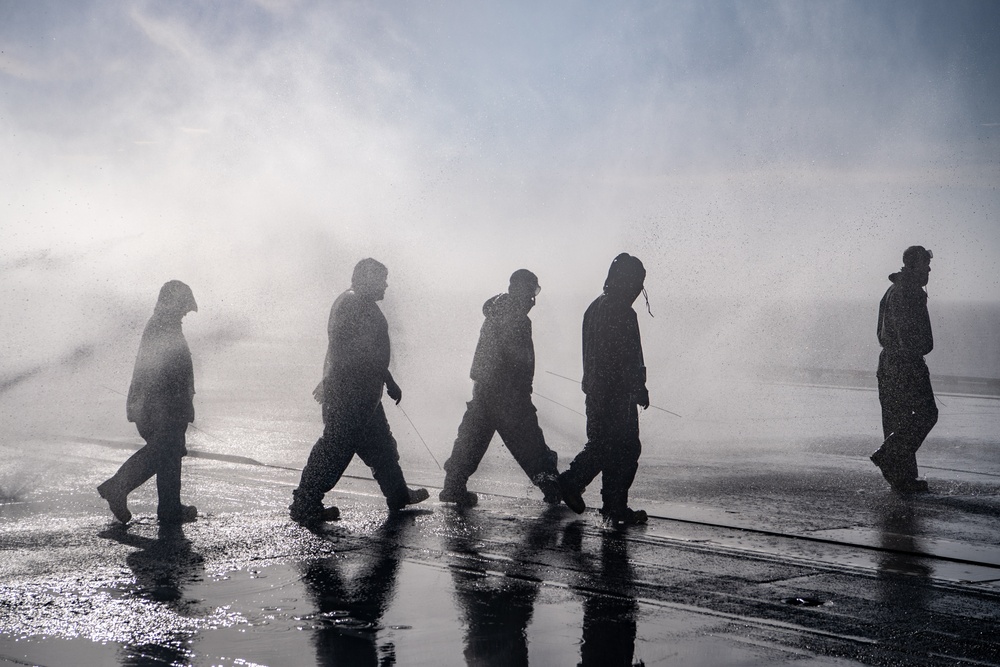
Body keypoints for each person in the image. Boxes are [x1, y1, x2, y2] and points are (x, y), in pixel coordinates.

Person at [289, 258, 428, 527]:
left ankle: (398, 495)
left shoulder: (359, 304)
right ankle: (305, 502)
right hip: (351, 394)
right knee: (335, 448)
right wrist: (332, 383)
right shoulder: (352, 304)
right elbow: (347, 351)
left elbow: (368, 353)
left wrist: (386, 379)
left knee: (382, 447)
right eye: (382, 279)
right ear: (366, 279)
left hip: (365, 394)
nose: (386, 285)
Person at [439, 269, 562, 507]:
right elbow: (518, 359)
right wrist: (522, 388)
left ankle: (453, 486)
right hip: (509, 395)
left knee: (471, 439)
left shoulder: (495, 313)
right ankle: (552, 487)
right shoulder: (517, 319)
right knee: (529, 442)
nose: (532, 299)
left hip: (484, 389)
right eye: (531, 292)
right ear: (521, 290)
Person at [558, 254, 650, 525]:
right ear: (625, 281)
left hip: (595, 392)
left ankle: (613, 507)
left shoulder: (594, 307)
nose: (637, 289)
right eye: (636, 282)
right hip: (617, 395)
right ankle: (576, 484)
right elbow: (629, 356)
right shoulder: (623, 311)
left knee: (605, 446)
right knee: (624, 448)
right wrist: (639, 388)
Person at [97, 280, 199, 524]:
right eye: (184, 305)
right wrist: (177, 404)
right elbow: (164, 372)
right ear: (174, 303)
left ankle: (170, 508)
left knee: (169, 453)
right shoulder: (163, 328)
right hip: (160, 406)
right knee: (165, 450)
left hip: (160, 404)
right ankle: (117, 487)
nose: (187, 311)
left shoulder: (164, 324)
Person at [870, 246, 937, 494]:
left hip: (887, 363)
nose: (929, 270)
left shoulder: (891, 290)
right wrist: (916, 351)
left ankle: (903, 480)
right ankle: (888, 456)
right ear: (912, 266)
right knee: (926, 414)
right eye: (925, 265)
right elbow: (908, 335)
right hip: (905, 363)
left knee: (897, 422)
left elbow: (882, 331)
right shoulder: (910, 292)